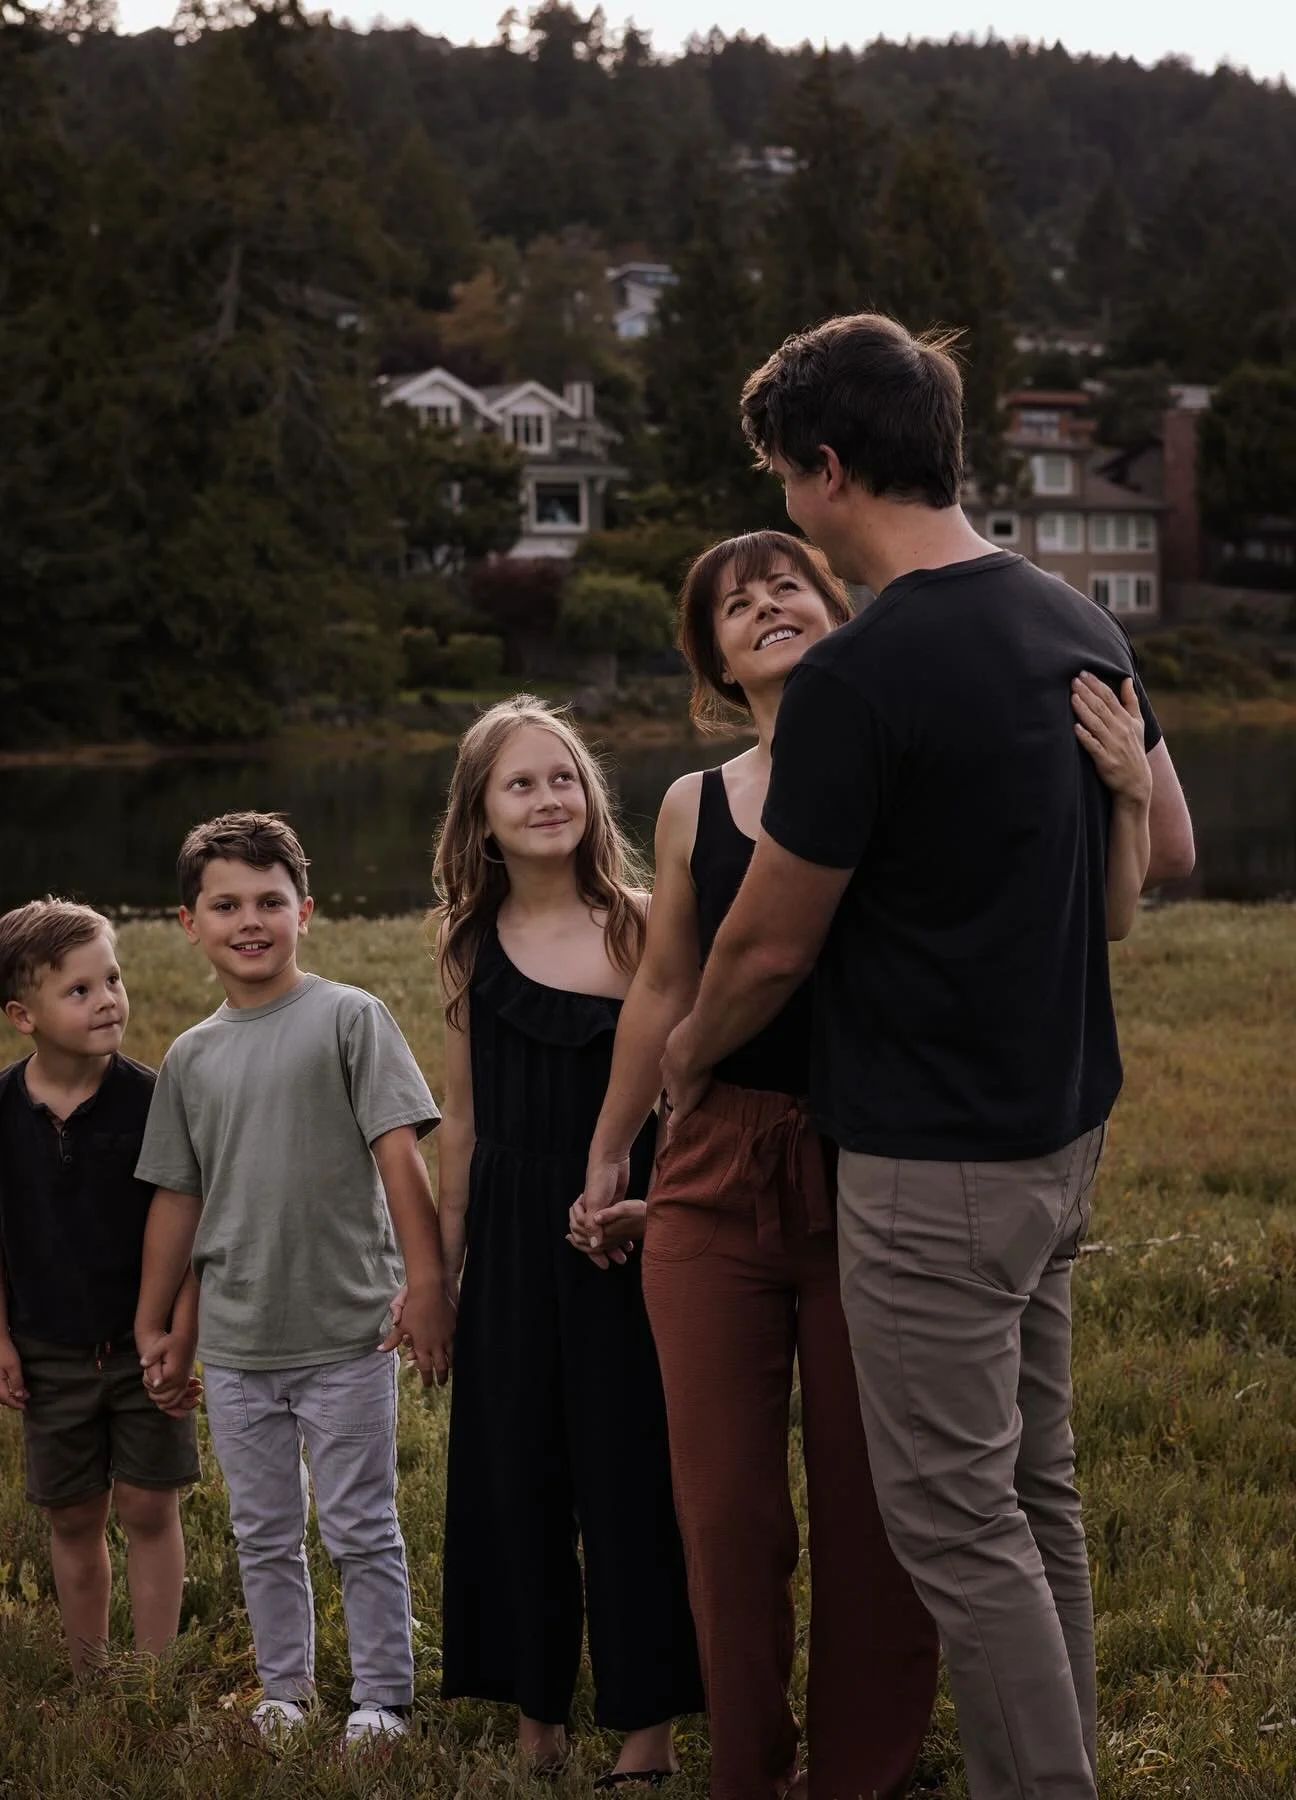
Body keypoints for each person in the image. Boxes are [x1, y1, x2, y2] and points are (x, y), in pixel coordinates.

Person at [660, 315, 1196, 1800]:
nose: (786, 505)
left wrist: (686, 1057)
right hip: (1060, 1135)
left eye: (783, 477)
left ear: (828, 471)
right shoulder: (1076, 618)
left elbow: (767, 946)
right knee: (1034, 1490)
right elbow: (1180, 841)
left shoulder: (862, 677)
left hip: (938, 1163)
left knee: (958, 1524)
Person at [573, 531, 939, 1800]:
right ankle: (748, 1770)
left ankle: (860, 1774)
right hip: (714, 1156)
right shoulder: (691, 804)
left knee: (870, 1507)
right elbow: (665, 982)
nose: (766, 604)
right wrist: (616, 1143)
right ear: (714, 658)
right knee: (727, 1516)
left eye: (790, 582)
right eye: (735, 604)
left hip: (874, 1157)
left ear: (842, 611)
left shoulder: (903, 756)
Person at [131, 811, 453, 1743]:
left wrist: (426, 1283)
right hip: (235, 1345)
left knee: (360, 1526)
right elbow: (179, 1204)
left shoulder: (350, 1018)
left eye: (270, 901)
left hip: (347, 1330)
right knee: (263, 1534)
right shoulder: (190, 1058)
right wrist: (159, 1323)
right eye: (225, 904)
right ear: (188, 923)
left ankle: (383, 1699)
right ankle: (285, 1692)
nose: (250, 920)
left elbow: (402, 1160)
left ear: (304, 910)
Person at [431, 696, 703, 1788]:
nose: (548, 798)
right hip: (507, 1233)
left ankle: (649, 1730)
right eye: (520, 783)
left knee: (630, 1470)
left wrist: (658, 1201)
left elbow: (684, 1091)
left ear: (591, 796)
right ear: (481, 816)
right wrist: (443, 1275)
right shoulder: (465, 940)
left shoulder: (642, 923)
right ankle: (533, 1712)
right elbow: (461, 1120)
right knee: (514, 1467)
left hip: (623, 1233)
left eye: (563, 777)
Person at [0, 899, 200, 1677]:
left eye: (113, 980)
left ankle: (151, 1674)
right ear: (22, 1015)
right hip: (47, 1350)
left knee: (148, 1506)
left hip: (142, 1347)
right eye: (80, 990)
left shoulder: (154, 1097)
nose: (108, 1001)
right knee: (71, 1514)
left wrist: (177, 1331)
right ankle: (92, 1669)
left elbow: (193, 1223)